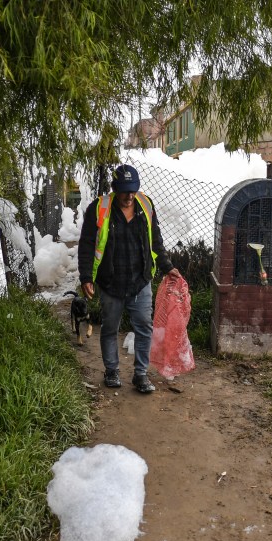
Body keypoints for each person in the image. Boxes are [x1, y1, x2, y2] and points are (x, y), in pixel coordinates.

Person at [78, 164, 183, 393]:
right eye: (125, 191)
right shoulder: (99, 208)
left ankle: (141, 374)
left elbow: (155, 239)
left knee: (144, 328)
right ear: (115, 188)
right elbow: (86, 244)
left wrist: (167, 267)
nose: (129, 196)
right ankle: (112, 371)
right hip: (110, 283)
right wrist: (86, 276)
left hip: (140, 282)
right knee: (109, 329)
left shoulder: (145, 205)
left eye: (133, 190)